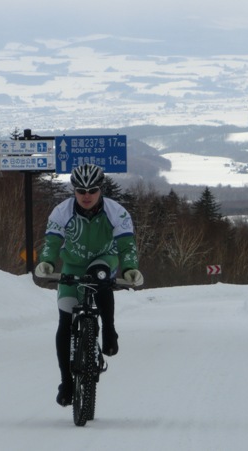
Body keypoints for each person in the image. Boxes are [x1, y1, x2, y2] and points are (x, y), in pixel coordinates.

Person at [35, 163, 144, 407]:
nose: (86, 196)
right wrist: (47, 263)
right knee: (65, 320)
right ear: (74, 190)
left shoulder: (116, 212)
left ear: (100, 190)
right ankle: (67, 382)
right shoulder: (61, 211)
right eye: (80, 190)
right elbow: (52, 242)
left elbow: (127, 245)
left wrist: (129, 268)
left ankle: (109, 331)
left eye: (92, 190)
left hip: (104, 259)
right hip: (72, 265)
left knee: (101, 276)